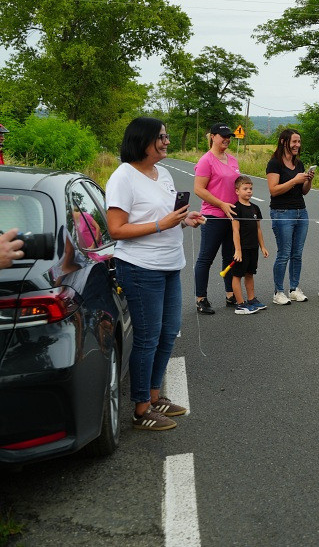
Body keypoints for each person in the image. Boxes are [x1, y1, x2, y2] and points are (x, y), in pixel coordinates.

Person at [105, 117, 205, 432]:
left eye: (166, 136)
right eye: (161, 137)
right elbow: (116, 229)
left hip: (169, 264)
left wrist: (186, 218)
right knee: (147, 338)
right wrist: (163, 223)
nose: (167, 141)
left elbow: (165, 212)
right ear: (143, 140)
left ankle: (154, 395)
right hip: (139, 267)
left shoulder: (162, 173)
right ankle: (141, 409)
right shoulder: (123, 177)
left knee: (168, 332)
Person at [193, 122, 240, 315]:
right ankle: (201, 298)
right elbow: (198, 189)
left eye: (229, 136)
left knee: (230, 257)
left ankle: (230, 295)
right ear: (212, 136)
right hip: (213, 216)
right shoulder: (206, 160)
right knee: (206, 258)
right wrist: (221, 204)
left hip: (233, 216)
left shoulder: (233, 160)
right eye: (223, 136)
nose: (227, 139)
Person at [266, 128, 313, 306]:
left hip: (301, 211)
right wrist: (294, 180)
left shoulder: (298, 163)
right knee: (284, 253)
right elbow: (274, 190)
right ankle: (278, 292)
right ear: (283, 142)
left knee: (297, 254)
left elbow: (304, 192)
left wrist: (307, 180)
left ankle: (294, 289)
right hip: (282, 212)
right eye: (294, 142)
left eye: (299, 142)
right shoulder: (274, 164)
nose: (297, 145)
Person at [229, 176, 269, 314]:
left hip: (253, 248)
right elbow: (235, 231)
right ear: (237, 191)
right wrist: (238, 250)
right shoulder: (236, 208)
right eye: (245, 189)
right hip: (242, 249)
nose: (249, 191)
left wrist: (262, 246)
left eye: (250, 188)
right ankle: (240, 304)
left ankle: (251, 299)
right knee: (237, 275)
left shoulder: (255, 208)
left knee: (250, 274)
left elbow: (258, 229)